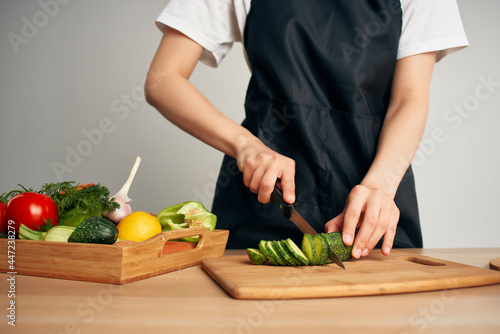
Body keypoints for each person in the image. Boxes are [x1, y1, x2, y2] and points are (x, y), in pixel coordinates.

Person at [145, 0, 468, 258]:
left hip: (376, 199)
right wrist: (247, 146)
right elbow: (164, 79)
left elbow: (409, 98)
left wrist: (380, 187)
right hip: (265, 195)